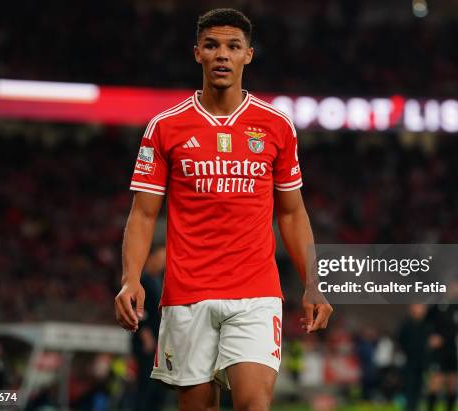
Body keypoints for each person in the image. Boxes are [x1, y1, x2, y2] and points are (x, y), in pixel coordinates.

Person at [114, 8, 333, 411]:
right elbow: (143, 214)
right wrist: (132, 280)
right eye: (212, 45)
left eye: (233, 46)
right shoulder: (165, 126)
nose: (222, 55)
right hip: (186, 294)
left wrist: (311, 282)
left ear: (248, 54)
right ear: (197, 52)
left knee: (253, 404)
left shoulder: (276, 126)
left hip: (255, 292)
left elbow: (291, 213)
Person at [131, 246, 168, 411]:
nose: (162, 263)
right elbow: (139, 310)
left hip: (159, 340)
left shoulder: (159, 281)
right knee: (146, 383)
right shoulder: (142, 280)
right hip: (147, 340)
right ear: (150, 257)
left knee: (159, 386)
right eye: (160, 259)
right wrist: (145, 335)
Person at [425, 304, 458, 411]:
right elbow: (426, 325)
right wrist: (431, 336)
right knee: (436, 380)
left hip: (454, 350)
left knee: (453, 382)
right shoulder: (435, 308)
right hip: (439, 351)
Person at [397, 304, 431, 411]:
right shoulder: (406, 325)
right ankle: (409, 407)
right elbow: (400, 340)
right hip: (410, 361)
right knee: (410, 386)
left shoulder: (426, 325)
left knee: (419, 387)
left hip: (422, 361)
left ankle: (416, 406)